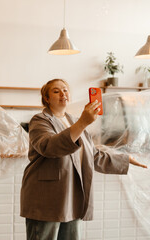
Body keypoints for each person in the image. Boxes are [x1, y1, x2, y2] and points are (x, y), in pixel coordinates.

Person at [20, 79, 147, 240]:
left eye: (65, 90)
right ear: (46, 98)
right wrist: (83, 122)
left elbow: (92, 155)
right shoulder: (40, 120)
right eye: (56, 91)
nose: (63, 94)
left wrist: (125, 159)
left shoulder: (73, 121)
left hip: (72, 197)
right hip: (47, 198)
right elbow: (49, 147)